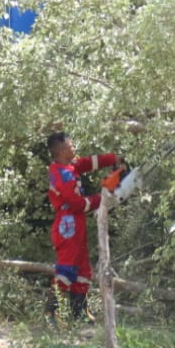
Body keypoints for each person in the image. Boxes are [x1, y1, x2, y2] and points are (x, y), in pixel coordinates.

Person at [44, 132, 121, 324]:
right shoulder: (61, 174)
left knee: (83, 270)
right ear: (62, 151)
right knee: (67, 268)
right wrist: (102, 197)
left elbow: (87, 163)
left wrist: (113, 158)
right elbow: (77, 203)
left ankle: (79, 312)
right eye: (71, 146)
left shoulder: (69, 166)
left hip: (76, 222)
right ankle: (51, 313)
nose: (74, 148)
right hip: (67, 224)